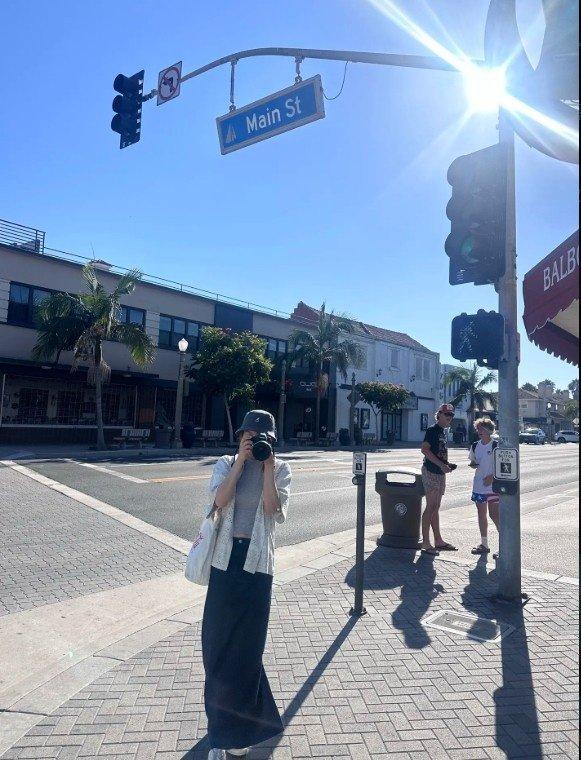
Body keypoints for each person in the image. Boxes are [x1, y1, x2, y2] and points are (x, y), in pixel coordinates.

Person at [202, 410, 292, 760]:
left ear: (272, 438)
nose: (255, 441)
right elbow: (218, 502)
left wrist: (267, 467)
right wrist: (241, 462)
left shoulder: (281, 468)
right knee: (216, 646)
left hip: (257, 565)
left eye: (262, 436)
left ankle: (232, 737)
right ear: (240, 436)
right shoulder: (226, 463)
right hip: (225, 561)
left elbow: (273, 510)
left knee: (247, 651)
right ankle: (228, 730)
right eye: (249, 436)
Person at [420, 403, 458, 555]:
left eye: (451, 415)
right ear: (439, 415)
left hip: (440, 471)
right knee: (431, 506)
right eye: (446, 414)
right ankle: (425, 542)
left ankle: (438, 540)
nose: (449, 417)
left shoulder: (443, 431)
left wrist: (446, 464)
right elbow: (425, 450)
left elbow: (438, 452)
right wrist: (440, 465)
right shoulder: (432, 430)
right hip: (431, 471)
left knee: (435, 507)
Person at [469, 417, 500, 555]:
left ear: (489, 430)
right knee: (481, 514)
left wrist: (493, 477)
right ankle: (484, 544)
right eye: (478, 428)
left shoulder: (496, 445)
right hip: (479, 485)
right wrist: (473, 465)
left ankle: (504, 543)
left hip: (493, 486)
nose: (479, 431)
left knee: (494, 515)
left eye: (482, 428)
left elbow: (503, 466)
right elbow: (473, 461)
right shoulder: (475, 445)